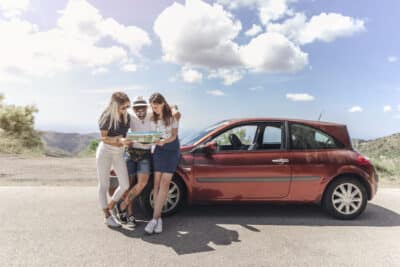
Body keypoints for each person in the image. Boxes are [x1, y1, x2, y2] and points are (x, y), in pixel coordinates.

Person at [115, 96, 181, 227]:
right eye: (137, 108)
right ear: (133, 109)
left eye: (142, 107)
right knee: (128, 184)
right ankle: (129, 215)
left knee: (142, 183)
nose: (140, 110)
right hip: (130, 152)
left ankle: (122, 205)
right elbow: (119, 118)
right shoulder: (130, 117)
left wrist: (175, 110)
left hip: (145, 154)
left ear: (147, 107)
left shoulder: (152, 114)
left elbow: (170, 106)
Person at [144, 93, 180, 234]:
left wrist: (164, 141)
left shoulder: (172, 118)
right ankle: (159, 219)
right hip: (159, 151)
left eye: (157, 106)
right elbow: (154, 136)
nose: (155, 109)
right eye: (153, 106)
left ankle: (153, 220)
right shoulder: (152, 119)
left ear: (163, 104)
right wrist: (153, 141)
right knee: (156, 184)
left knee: (165, 183)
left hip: (171, 150)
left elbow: (174, 136)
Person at [96, 92, 132, 228]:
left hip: (118, 153)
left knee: (125, 185)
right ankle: (107, 216)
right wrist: (120, 140)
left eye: (128, 107)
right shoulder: (106, 117)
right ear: (115, 105)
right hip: (105, 151)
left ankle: (110, 205)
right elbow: (104, 138)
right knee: (103, 185)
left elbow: (128, 134)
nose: (126, 110)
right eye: (123, 107)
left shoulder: (127, 117)